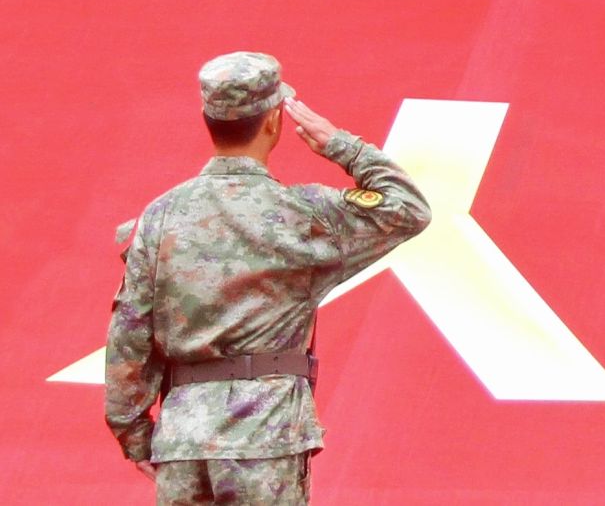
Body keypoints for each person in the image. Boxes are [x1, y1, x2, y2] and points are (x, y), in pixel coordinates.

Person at [105, 51, 430, 505]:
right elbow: (409, 209)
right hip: (268, 436)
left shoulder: (160, 217)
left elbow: (130, 334)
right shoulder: (304, 214)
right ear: (274, 120)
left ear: (208, 118)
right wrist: (342, 145)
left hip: (183, 441)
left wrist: (135, 434)